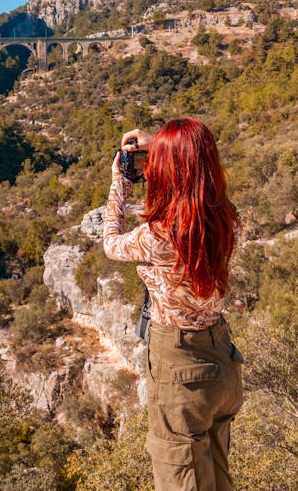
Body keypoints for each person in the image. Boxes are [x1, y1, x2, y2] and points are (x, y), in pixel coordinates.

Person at [103, 117, 243, 491]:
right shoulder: (226, 217)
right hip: (223, 361)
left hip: (181, 367)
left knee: (180, 476)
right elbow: (199, 168)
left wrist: (120, 183)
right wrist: (162, 145)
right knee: (217, 478)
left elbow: (111, 242)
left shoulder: (159, 235)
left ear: (169, 168)